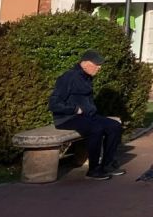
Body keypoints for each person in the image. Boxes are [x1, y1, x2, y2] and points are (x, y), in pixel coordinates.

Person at [49, 50, 124, 180]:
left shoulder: (87, 77)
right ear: (85, 63)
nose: (99, 67)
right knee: (96, 129)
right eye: (97, 64)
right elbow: (54, 104)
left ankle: (107, 165)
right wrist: (75, 109)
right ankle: (93, 171)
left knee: (115, 126)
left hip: (87, 117)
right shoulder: (68, 77)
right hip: (68, 118)